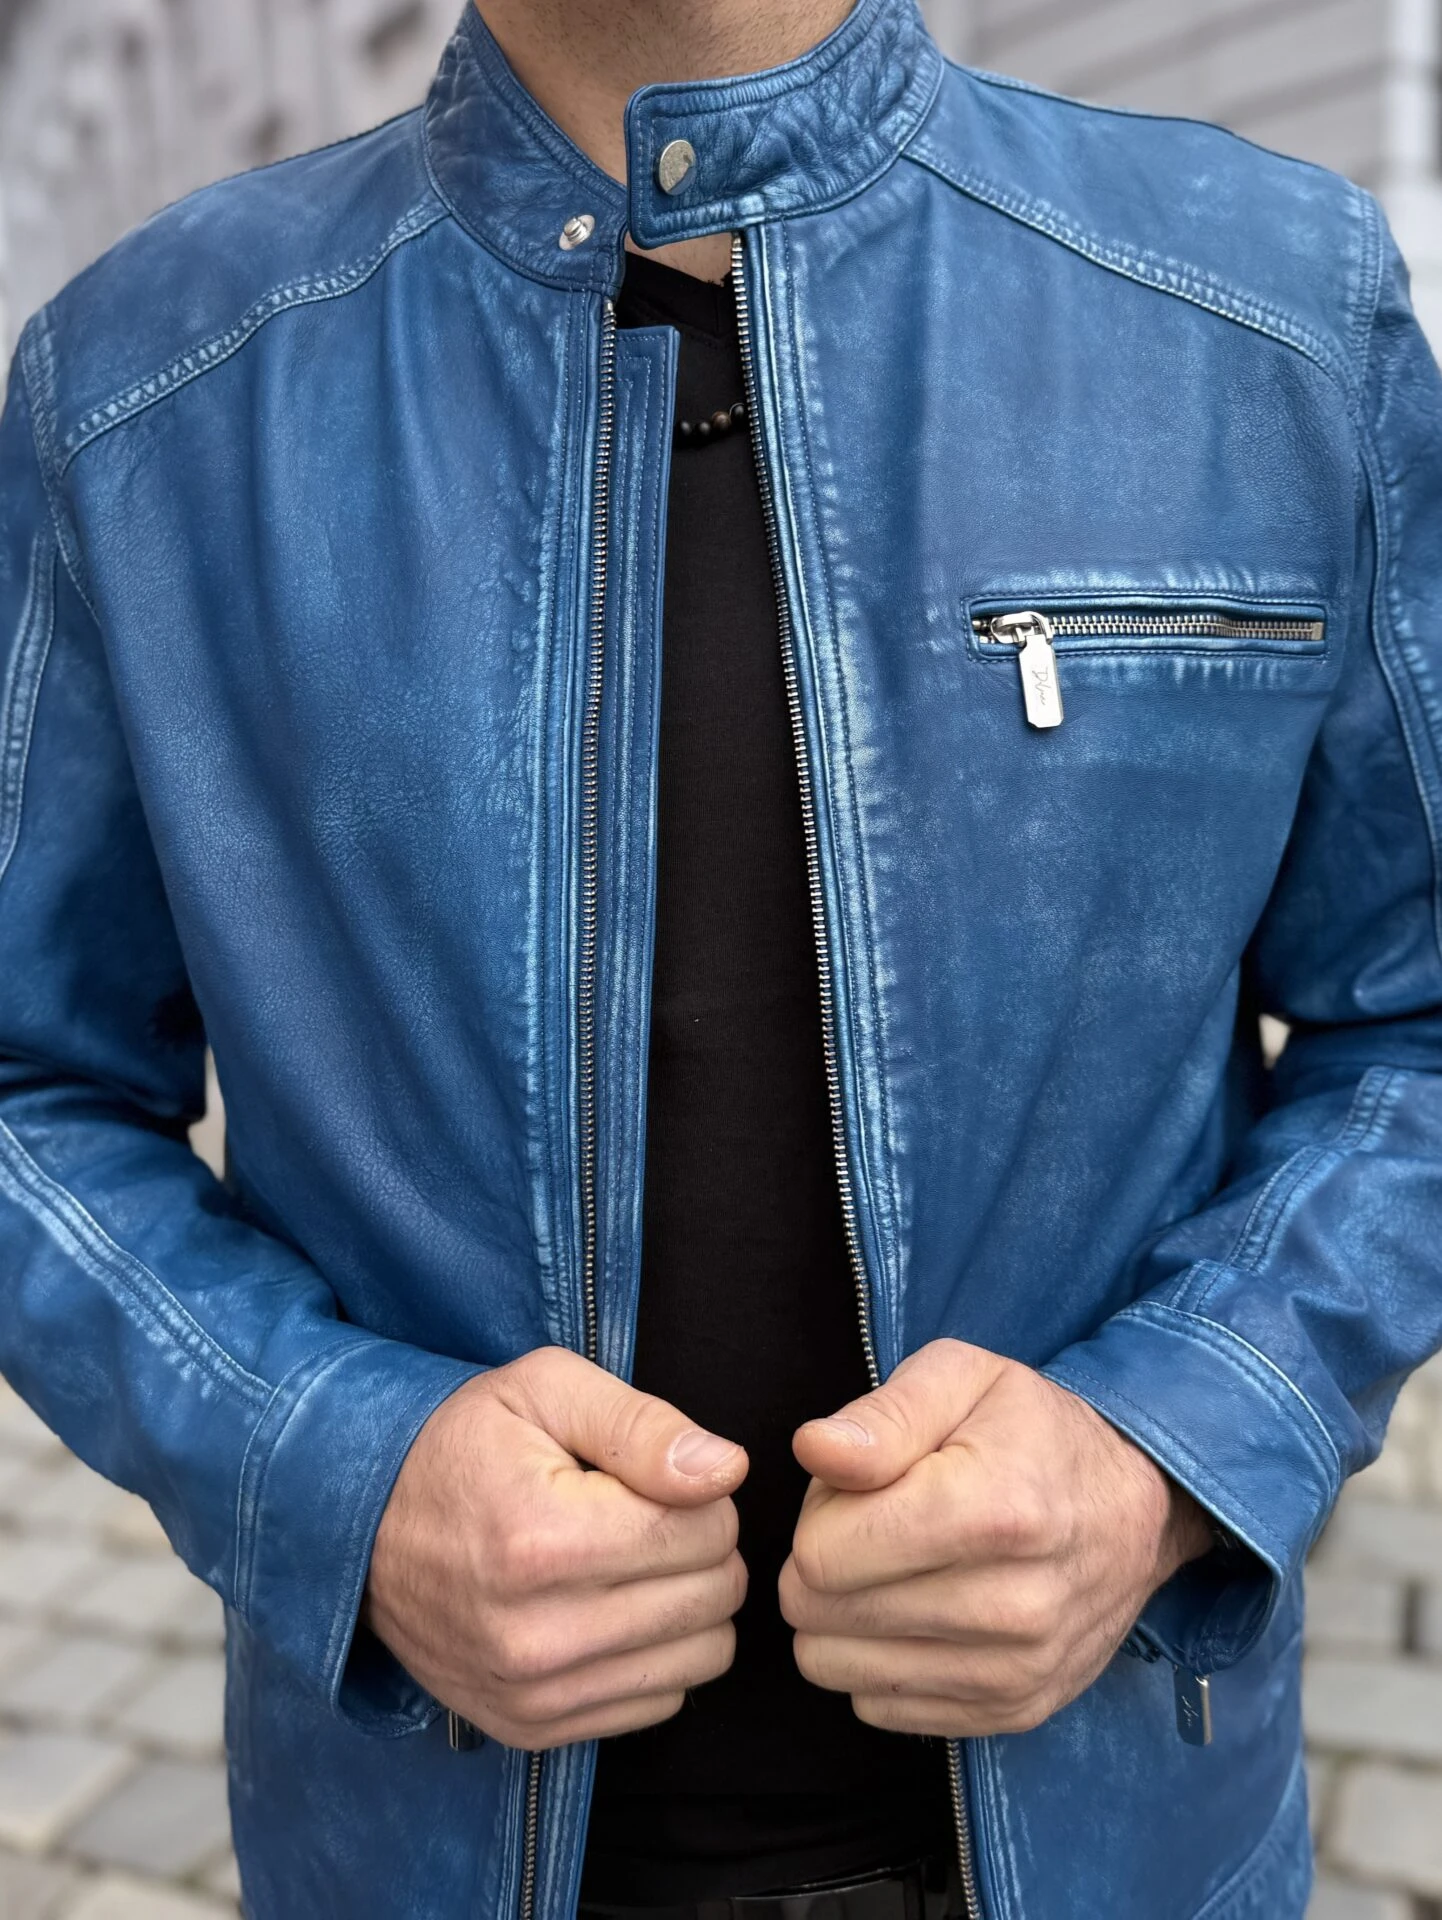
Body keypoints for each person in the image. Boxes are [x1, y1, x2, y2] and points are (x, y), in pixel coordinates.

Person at [0, 0, 1438, 1912]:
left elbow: (1413, 1022)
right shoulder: (143, 388)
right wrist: (325, 1464)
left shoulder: (1262, 309)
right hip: (407, 1853)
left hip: (1136, 1848)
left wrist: (1167, 1447)